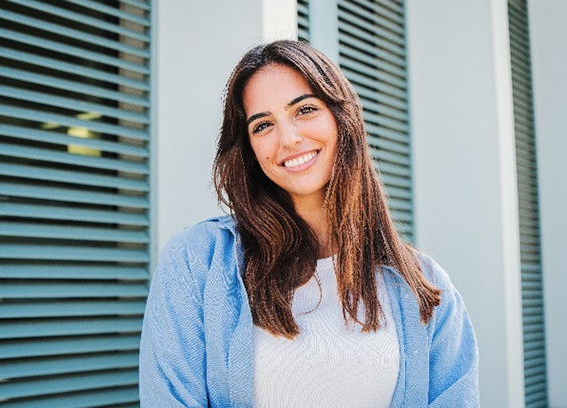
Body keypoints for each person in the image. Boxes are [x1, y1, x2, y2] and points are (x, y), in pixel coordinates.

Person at [139, 40, 479, 407]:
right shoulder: (196, 262)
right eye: (263, 124)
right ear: (249, 148)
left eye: (304, 109)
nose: (288, 138)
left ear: (341, 117)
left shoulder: (424, 285)